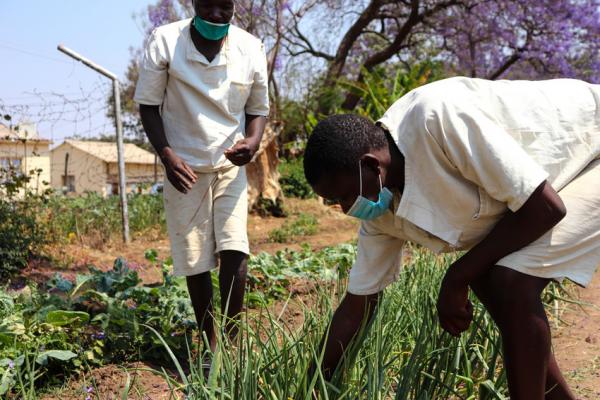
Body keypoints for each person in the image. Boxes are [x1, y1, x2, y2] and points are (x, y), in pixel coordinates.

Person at [303, 77, 600, 399]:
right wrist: (310, 384)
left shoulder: (436, 120)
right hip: (552, 183)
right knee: (490, 280)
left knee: (510, 281)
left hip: (592, 148)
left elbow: (545, 208)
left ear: (372, 165)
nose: (348, 209)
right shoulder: (382, 210)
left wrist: (456, 277)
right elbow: (358, 303)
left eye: (346, 195)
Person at [134, 0, 269, 354]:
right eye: (209, 6)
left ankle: (233, 343)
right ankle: (210, 342)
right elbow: (148, 105)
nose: (216, 15)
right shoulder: (164, 41)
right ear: (194, 3)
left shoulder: (250, 48)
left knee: (235, 248)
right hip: (184, 167)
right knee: (195, 257)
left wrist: (252, 143)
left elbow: (257, 110)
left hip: (229, 164)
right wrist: (167, 155)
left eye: (225, 8)